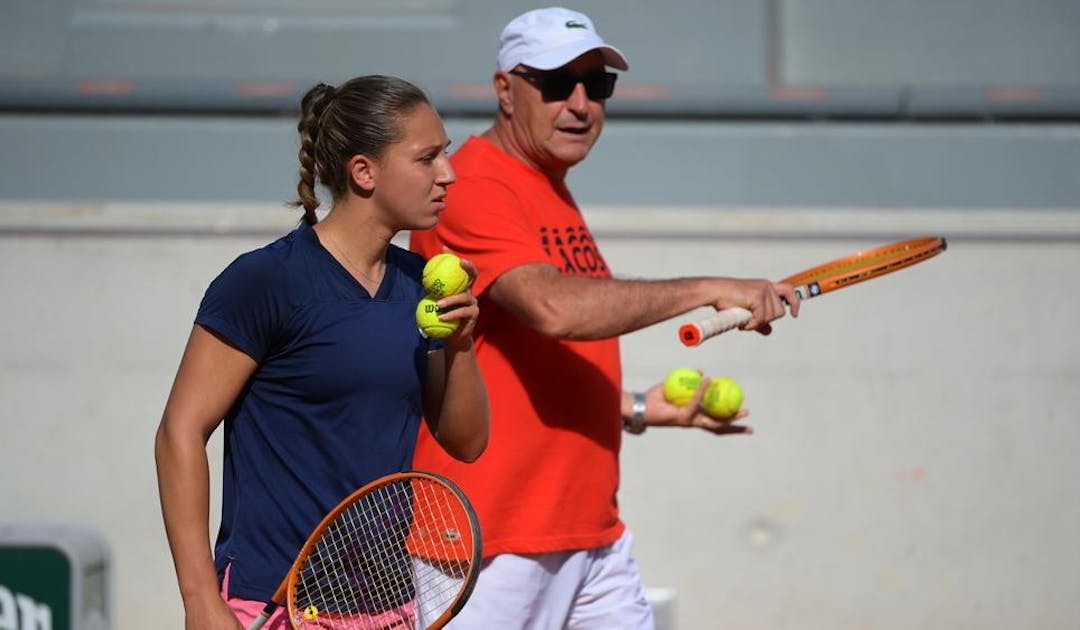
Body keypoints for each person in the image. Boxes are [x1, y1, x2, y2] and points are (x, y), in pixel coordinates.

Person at [408, 7, 799, 629]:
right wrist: (706, 287)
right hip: (492, 540)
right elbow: (552, 308)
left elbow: (518, 358)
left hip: (589, 532)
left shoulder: (548, 185)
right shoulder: (475, 184)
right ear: (505, 90)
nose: (582, 104)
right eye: (558, 84)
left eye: (599, 85)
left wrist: (636, 407)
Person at [155, 74, 490, 629]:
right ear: (364, 172)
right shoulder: (266, 281)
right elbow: (179, 433)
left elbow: (468, 441)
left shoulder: (419, 286)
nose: (448, 174)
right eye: (427, 158)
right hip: (268, 602)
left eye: (445, 155)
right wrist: (200, 600)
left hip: (387, 608)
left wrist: (461, 343)